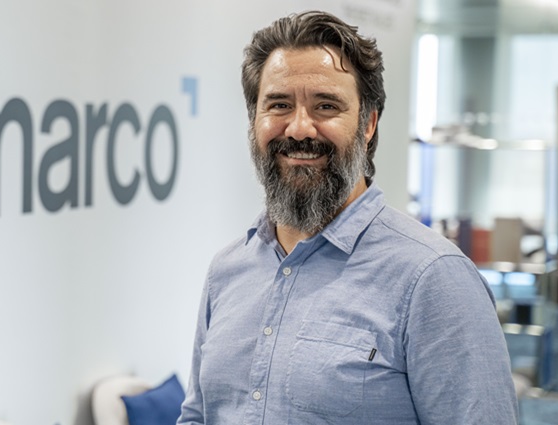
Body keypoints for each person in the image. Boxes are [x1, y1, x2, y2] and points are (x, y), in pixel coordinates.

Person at [177, 10, 518, 425]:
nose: (299, 128)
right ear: (254, 121)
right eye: (279, 105)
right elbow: (197, 415)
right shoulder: (227, 271)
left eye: (326, 106)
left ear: (368, 124)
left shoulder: (433, 279)